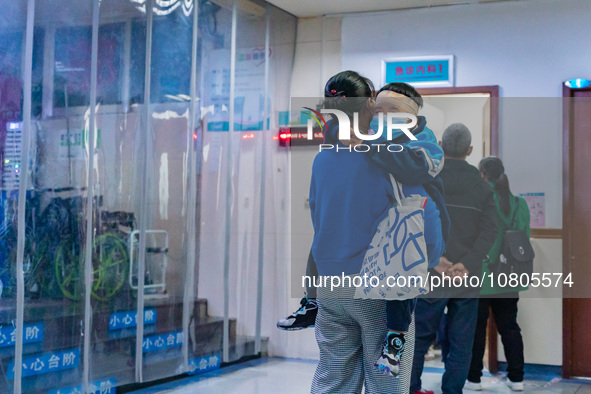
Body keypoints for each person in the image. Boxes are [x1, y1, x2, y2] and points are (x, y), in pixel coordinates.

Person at [309, 71, 443, 393]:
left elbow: (317, 215)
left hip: (330, 287)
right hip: (378, 289)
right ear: (369, 103)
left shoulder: (323, 157)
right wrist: (432, 259)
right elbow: (424, 216)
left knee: (333, 378)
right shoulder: (388, 157)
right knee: (386, 381)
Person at [277, 81, 450, 331]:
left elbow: (422, 182)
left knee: (339, 363)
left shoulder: (414, 145)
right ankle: (316, 304)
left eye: (393, 111)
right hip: (356, 276)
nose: (382, 117)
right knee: (378, 364)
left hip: (357, 274)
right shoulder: (344, 146)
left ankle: (391, 334)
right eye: (377, 111)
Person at [410, 123, 498, 394]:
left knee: (419, 340)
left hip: (430, 274)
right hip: (466, 277)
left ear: (440, 144)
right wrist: (468, 263)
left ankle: (411, 388)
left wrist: (435, 260)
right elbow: (491, 230)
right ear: (470, 150)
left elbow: (414, 222)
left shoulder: (427, 180)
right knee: (462, 342)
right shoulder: (483, 189)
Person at [465, 157, 529, 392]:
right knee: (510, 327)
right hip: (509, 275)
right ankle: (517, 379)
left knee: (476, 328)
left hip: (480, 276)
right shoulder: (519, 204)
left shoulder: (480, 201)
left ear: (482, 174)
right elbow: (524, 241)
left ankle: (473, 379)